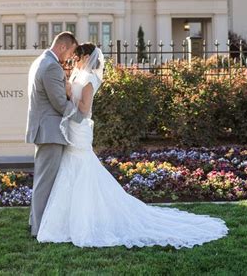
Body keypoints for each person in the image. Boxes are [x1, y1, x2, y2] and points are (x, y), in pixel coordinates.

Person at [37, 43, 228, 248]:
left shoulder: (90, 79)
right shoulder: (77, 75)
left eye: (78, 56)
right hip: (72, 129)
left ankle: (87, 219)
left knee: (82, 168)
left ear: (86, 57)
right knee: (71, 168)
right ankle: (67, 220)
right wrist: (67, 89)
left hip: (80, 129)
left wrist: (67, 91)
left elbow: (84, 109)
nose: (74, 60)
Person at [25, 31, 83, 236]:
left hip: (46, 130)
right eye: (71, 52)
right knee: (45, 181)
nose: (70, 58)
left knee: (43, 179)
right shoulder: (50, 66)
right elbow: (59, 102)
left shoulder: (39, 62)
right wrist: (81, 117)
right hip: (50, 132)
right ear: (62, 47)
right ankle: (39, 229)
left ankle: (36, 223)